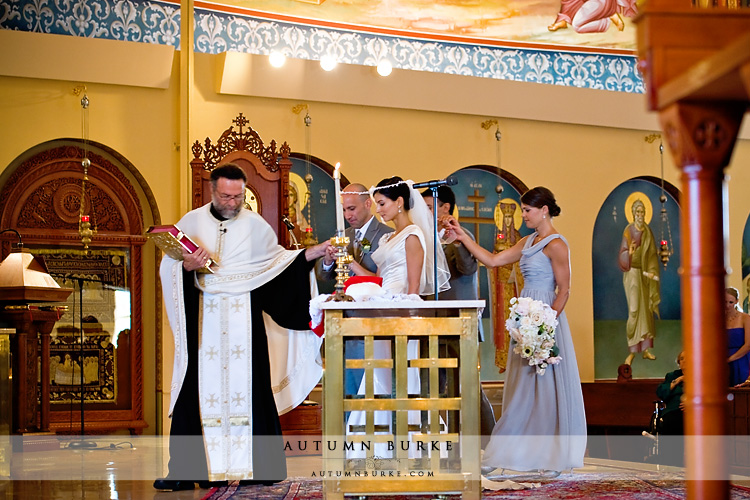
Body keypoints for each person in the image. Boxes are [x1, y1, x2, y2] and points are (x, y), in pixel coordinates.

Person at [155, 163, 330, 491]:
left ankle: (258, 466)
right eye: (226, 196)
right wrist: (187, 267)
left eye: (238, 196)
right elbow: (170, 266)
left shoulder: (256, 227)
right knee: (193, 390)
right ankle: (185, 468)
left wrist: (311, 254)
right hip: (202, 325)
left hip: (244, 328)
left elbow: (278, 267)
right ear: (213, 191)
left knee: (250, 390)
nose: (233, 202)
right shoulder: (191, 222)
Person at [443, 186, 586, 474]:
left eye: (527, 211)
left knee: (545, 390)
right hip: (526, 317)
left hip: (545, 318)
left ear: (544, 209)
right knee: (522, 387)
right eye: (523, 210)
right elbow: (494, 261)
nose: (523, 216)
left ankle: (551, 458)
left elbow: (565, 289)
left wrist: (545, 326)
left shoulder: (557, 244)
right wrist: (462, 238)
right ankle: (504, 455)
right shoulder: (528, 240)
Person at [345, 177, 450, 455]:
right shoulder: (387, 237)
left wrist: (403, 314)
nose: (379, 209)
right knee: (377, 372)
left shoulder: (413, 235)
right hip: (382, 307)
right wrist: (350, 264)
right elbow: (380, 280)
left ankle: (408, 445)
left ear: (400, 202)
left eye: (382, 203)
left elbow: (413, 288)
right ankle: (375, 446)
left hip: (402, 312)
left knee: (402, 379)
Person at [421, 186, 496, 447]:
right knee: (430, 387)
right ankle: (439, 442)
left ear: (446, 209)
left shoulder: (462, 236)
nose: (425, 213)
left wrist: (455, 239)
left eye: (430, 208)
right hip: (429, 323)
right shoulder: (421, 237)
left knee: (468, 387)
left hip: (459, 321)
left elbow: (467, 267)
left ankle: (488, 443)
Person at [317, 183, 394, 396]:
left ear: (367, 204)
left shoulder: (386, 235)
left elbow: (384, 281)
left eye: (351, 208)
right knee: (344, 387)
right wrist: (327, 260)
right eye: (343, 209)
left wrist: (350, 262)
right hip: (343, 319)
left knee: (367, 386)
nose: (346, 214)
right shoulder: (345, 235)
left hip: (371, 320)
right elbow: (324, 276)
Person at [618, 198, 660, 366]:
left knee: (646, 310)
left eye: (643, 212)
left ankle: (646, 349)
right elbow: (622, 254)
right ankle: (631, 352)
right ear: (633, 214)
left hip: (644, 275)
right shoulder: (629, 231)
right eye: (638, 212)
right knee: (635, 311)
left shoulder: (648, 231)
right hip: (632, 273)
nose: (640, 215)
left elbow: (651, 256)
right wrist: (630, 252)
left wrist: (652, 272)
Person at [655, 351, 686, 464]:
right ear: (679, 362)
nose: (685, 361)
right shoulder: (672, 376)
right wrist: (677, 381)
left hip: (694, 412)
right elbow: (661, 392)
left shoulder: (701, 375)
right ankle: (670, 464)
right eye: (682, 358)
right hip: (672, 412)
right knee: (671, 420)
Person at [726, 287, 750, 386]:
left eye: (731, 302)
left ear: (736, 301)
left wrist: (730, 359)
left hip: (741, 359)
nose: (727, 305)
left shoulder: (745, 318)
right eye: (724, 302)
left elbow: (748, 344)